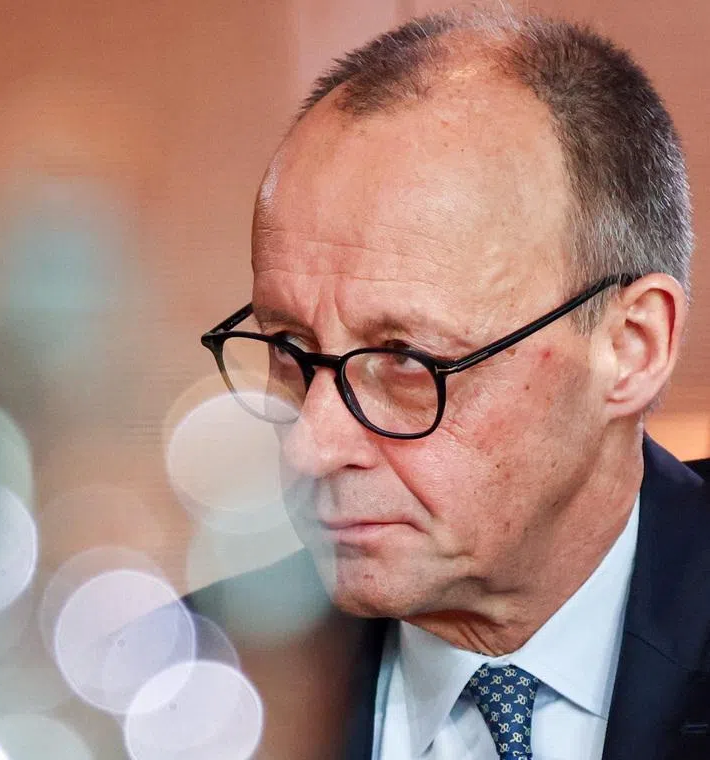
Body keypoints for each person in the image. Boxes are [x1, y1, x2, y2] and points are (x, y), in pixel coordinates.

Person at [194, 8, 710, 760]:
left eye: (407, 360)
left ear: (630, 348)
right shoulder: (185, 687)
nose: (312, 446)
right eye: (287, 348)